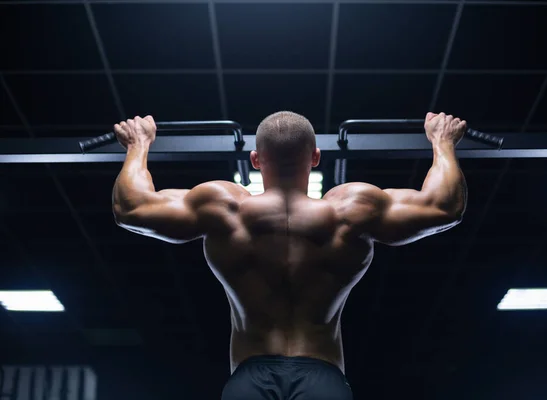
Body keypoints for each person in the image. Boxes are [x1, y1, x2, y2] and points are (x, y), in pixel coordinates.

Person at [111, 111, 467, 400]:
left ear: (254, 159)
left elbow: (130, 208)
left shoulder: (224, 208)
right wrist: (443, 141)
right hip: (322, 380)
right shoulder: (351, 210)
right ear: (315, 157)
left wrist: (138, 145)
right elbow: (444, 206)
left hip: (248, 381)